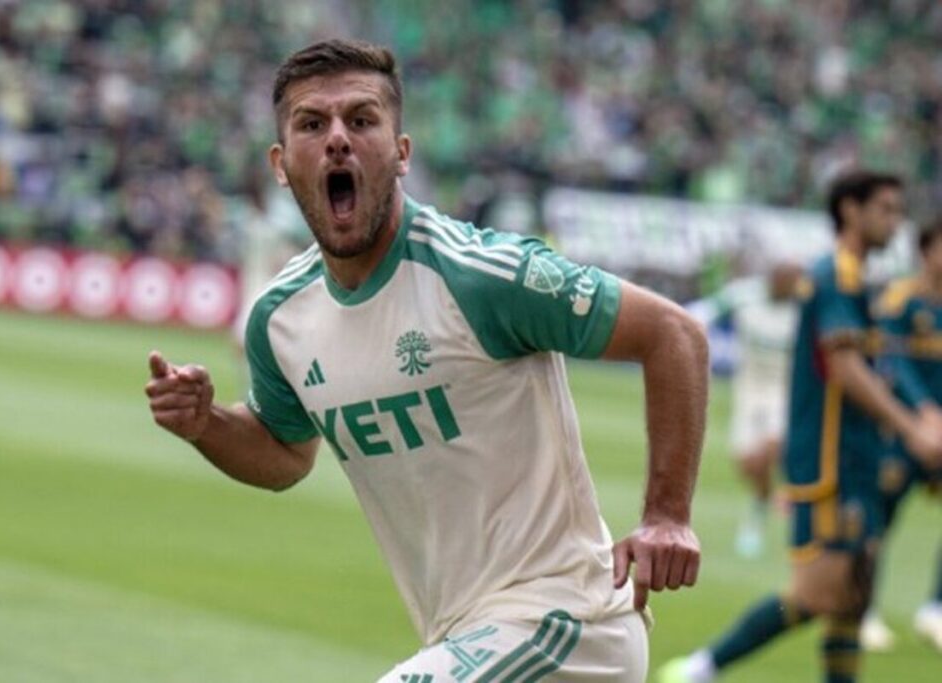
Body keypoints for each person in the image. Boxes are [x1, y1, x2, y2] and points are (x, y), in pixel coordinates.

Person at [145, 39, 709, 682]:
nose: (336, 140)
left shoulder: (481, 276)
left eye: (360, 120)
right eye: (311, 124)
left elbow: (673, 334)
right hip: (468, 635)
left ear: (402, 152)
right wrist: (205, 425)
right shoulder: (280, 319)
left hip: (569, 624)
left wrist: (667, 514)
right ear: (280, 164)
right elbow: (285, 455)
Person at [658, 170, 942, 683]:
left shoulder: (863, 280)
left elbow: (877, 368)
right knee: (818, 594)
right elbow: (846, 370)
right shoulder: (835, 274)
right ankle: (702, 667)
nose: (895, 222)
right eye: (885, 209)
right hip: (830, 463)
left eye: (898, 211)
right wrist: (911, 427)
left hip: (860, 460)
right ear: (850, 211)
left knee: (854, 596)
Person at [687, 264, 802, 559]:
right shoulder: (744, 296)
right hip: (749, 393)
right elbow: (701, 312)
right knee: (748, 464)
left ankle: (777, 502)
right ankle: (763, 502)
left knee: (770, 448)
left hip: (784, 395)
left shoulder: (805, 307)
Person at [865, 218, 942, 652]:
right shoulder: (900, 300)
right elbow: (893, 363)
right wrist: (925, 413)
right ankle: (865, 610)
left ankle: (935, 608)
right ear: (925, 251)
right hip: (903, 431)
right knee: (880, 519)